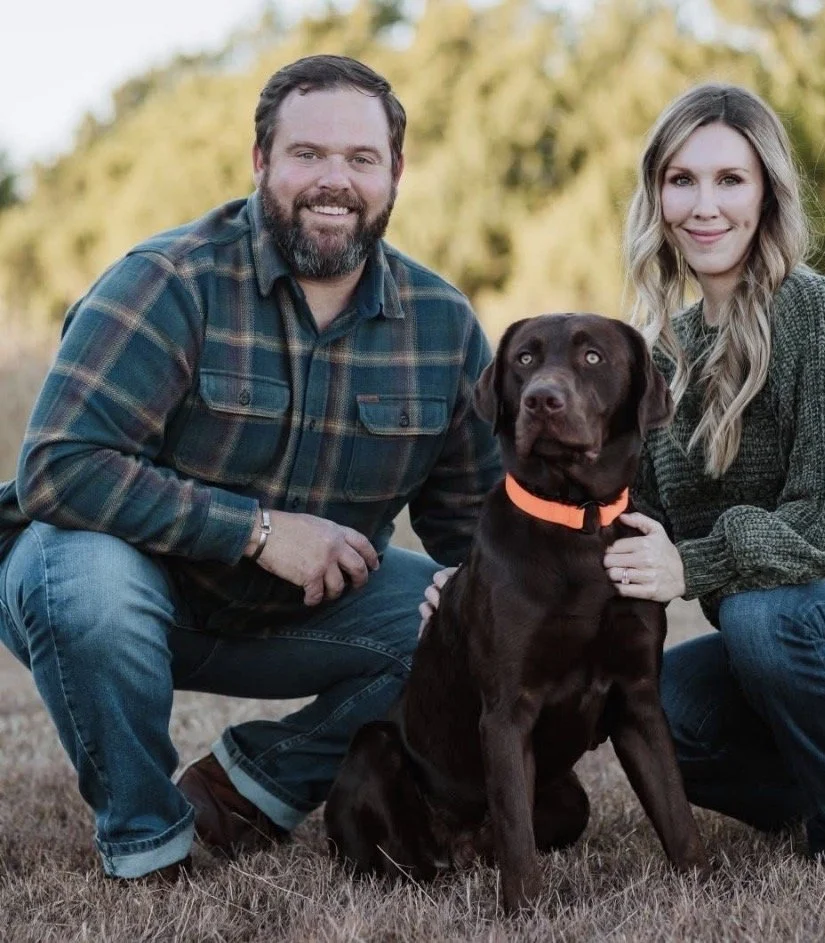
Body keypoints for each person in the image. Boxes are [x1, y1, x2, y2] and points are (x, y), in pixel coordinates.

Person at [0, 54, 500, 882]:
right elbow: (59, 467)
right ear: (261, 160)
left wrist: (491, 592)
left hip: (298, 615)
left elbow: (477, 527)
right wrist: (260, 531)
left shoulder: (442, 324)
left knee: (472, 615)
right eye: (308, 154)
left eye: (361, 158)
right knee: (86, 580)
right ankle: (147, 842)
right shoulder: (168, 281)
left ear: (396, 173)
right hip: (120, 587)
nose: (335, 180)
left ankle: (249, 787)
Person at [600, 82, 825, 870]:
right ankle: (820, 790)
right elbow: (631, 522)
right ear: (657, 195)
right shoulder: (659, 357)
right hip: (781, 650)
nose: (705, 206)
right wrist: (486, 577)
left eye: (730, 179)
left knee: (763, 612)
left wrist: (690, 565)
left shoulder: (815, 313)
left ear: (767, 193)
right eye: (682, 179)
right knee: (650, 703)